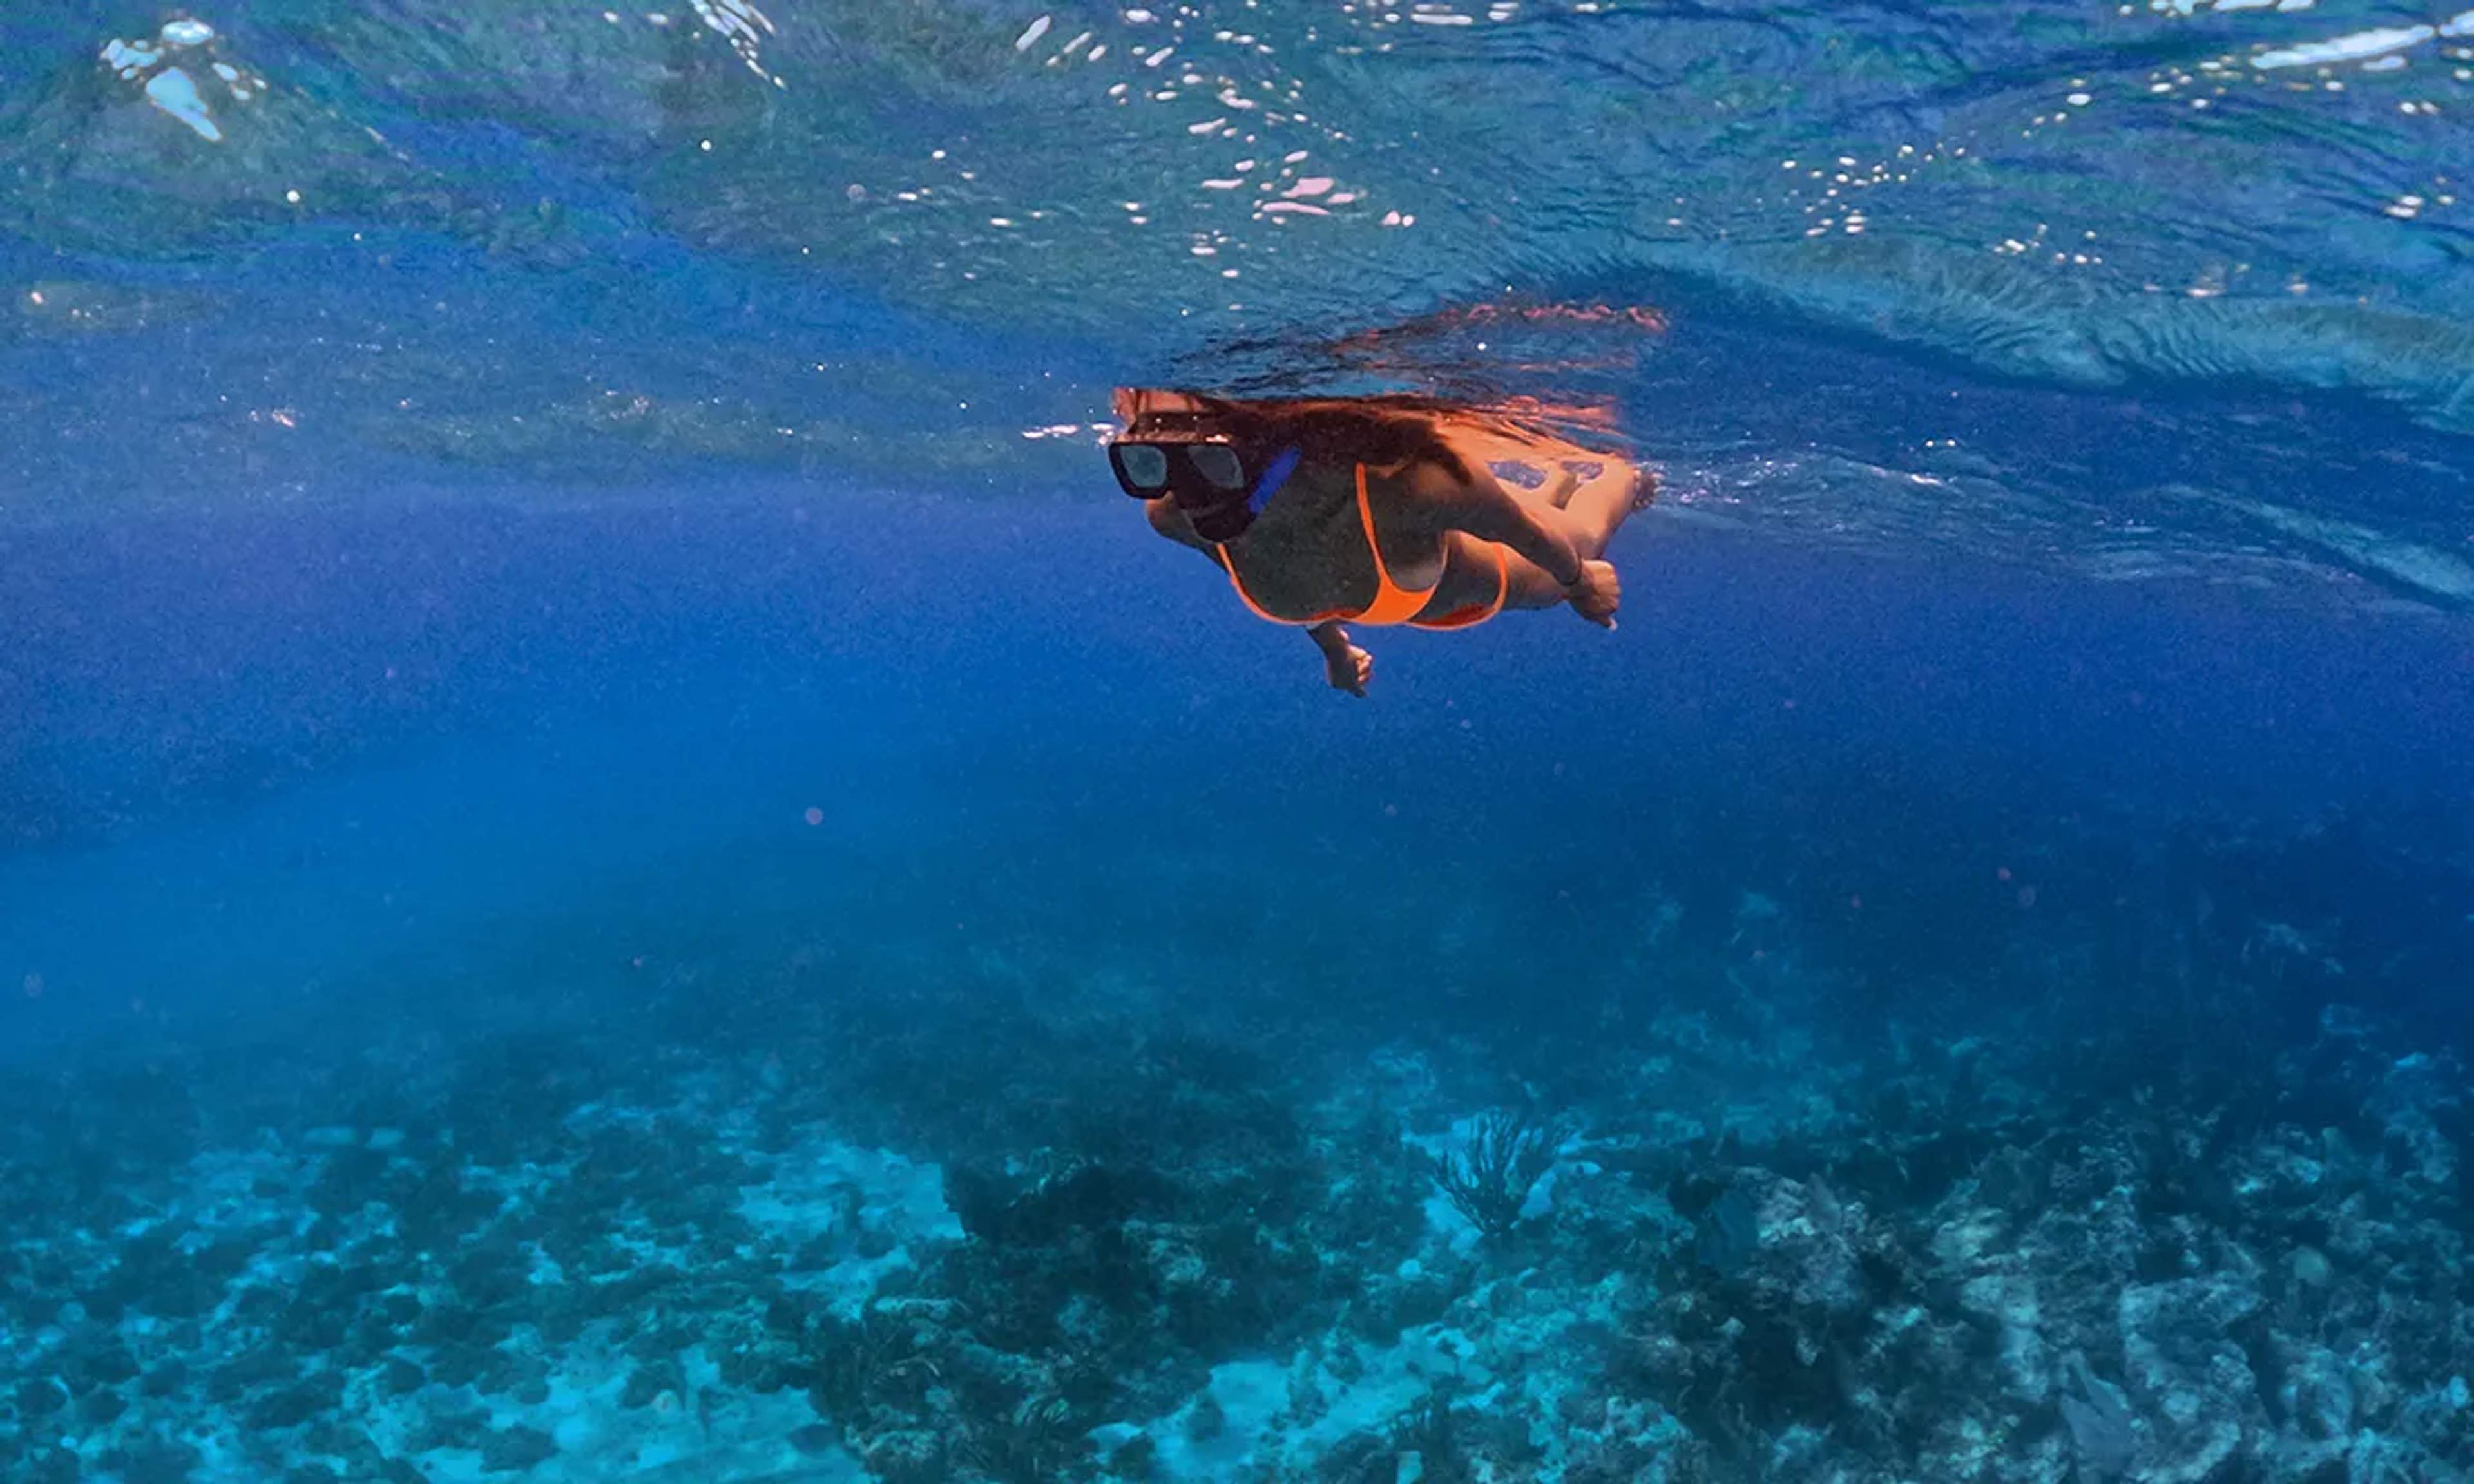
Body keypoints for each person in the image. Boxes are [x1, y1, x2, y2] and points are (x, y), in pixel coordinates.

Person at [1109, 388, 1654, 696]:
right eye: (1151, 463)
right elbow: (1281, 570)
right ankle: (1553, 483)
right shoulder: (1179, 515)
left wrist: (1579, 582)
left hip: (1472, 573)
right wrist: (1336, 651)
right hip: (1399, 572)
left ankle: (1620, 475)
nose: (1188, 491)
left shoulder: (1412, 483)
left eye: (1209, 461)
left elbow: (1523, 532)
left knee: (1582, 538)